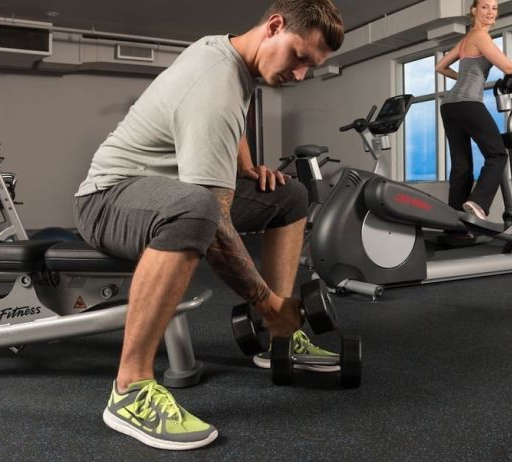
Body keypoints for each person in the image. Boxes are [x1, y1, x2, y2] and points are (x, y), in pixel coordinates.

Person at [73, 0, 344, 451]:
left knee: (289, 195)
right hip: (107, 199)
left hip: (166, 192)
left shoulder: (233, 58)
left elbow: (231, 126)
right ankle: (130, 389)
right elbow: (214, 219)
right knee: (197, 209)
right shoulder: (216, 82)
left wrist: (247, 166)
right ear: (274, 26)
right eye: (299, 57)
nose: (300, 75)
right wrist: (264, 300)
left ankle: (276, 339)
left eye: (311, 68)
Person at [435, 0, 512, 220]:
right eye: (484, 7)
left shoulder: (466, 40)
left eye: (494, 8)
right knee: (497, 154)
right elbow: (508, 67)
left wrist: (463, 79)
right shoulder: (481, 36)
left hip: (449, 105)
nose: (490, 12)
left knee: (461, 166)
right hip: (468, 103)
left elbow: (440, 66)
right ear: (473, 10)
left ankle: (454, 225)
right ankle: (477, 203)